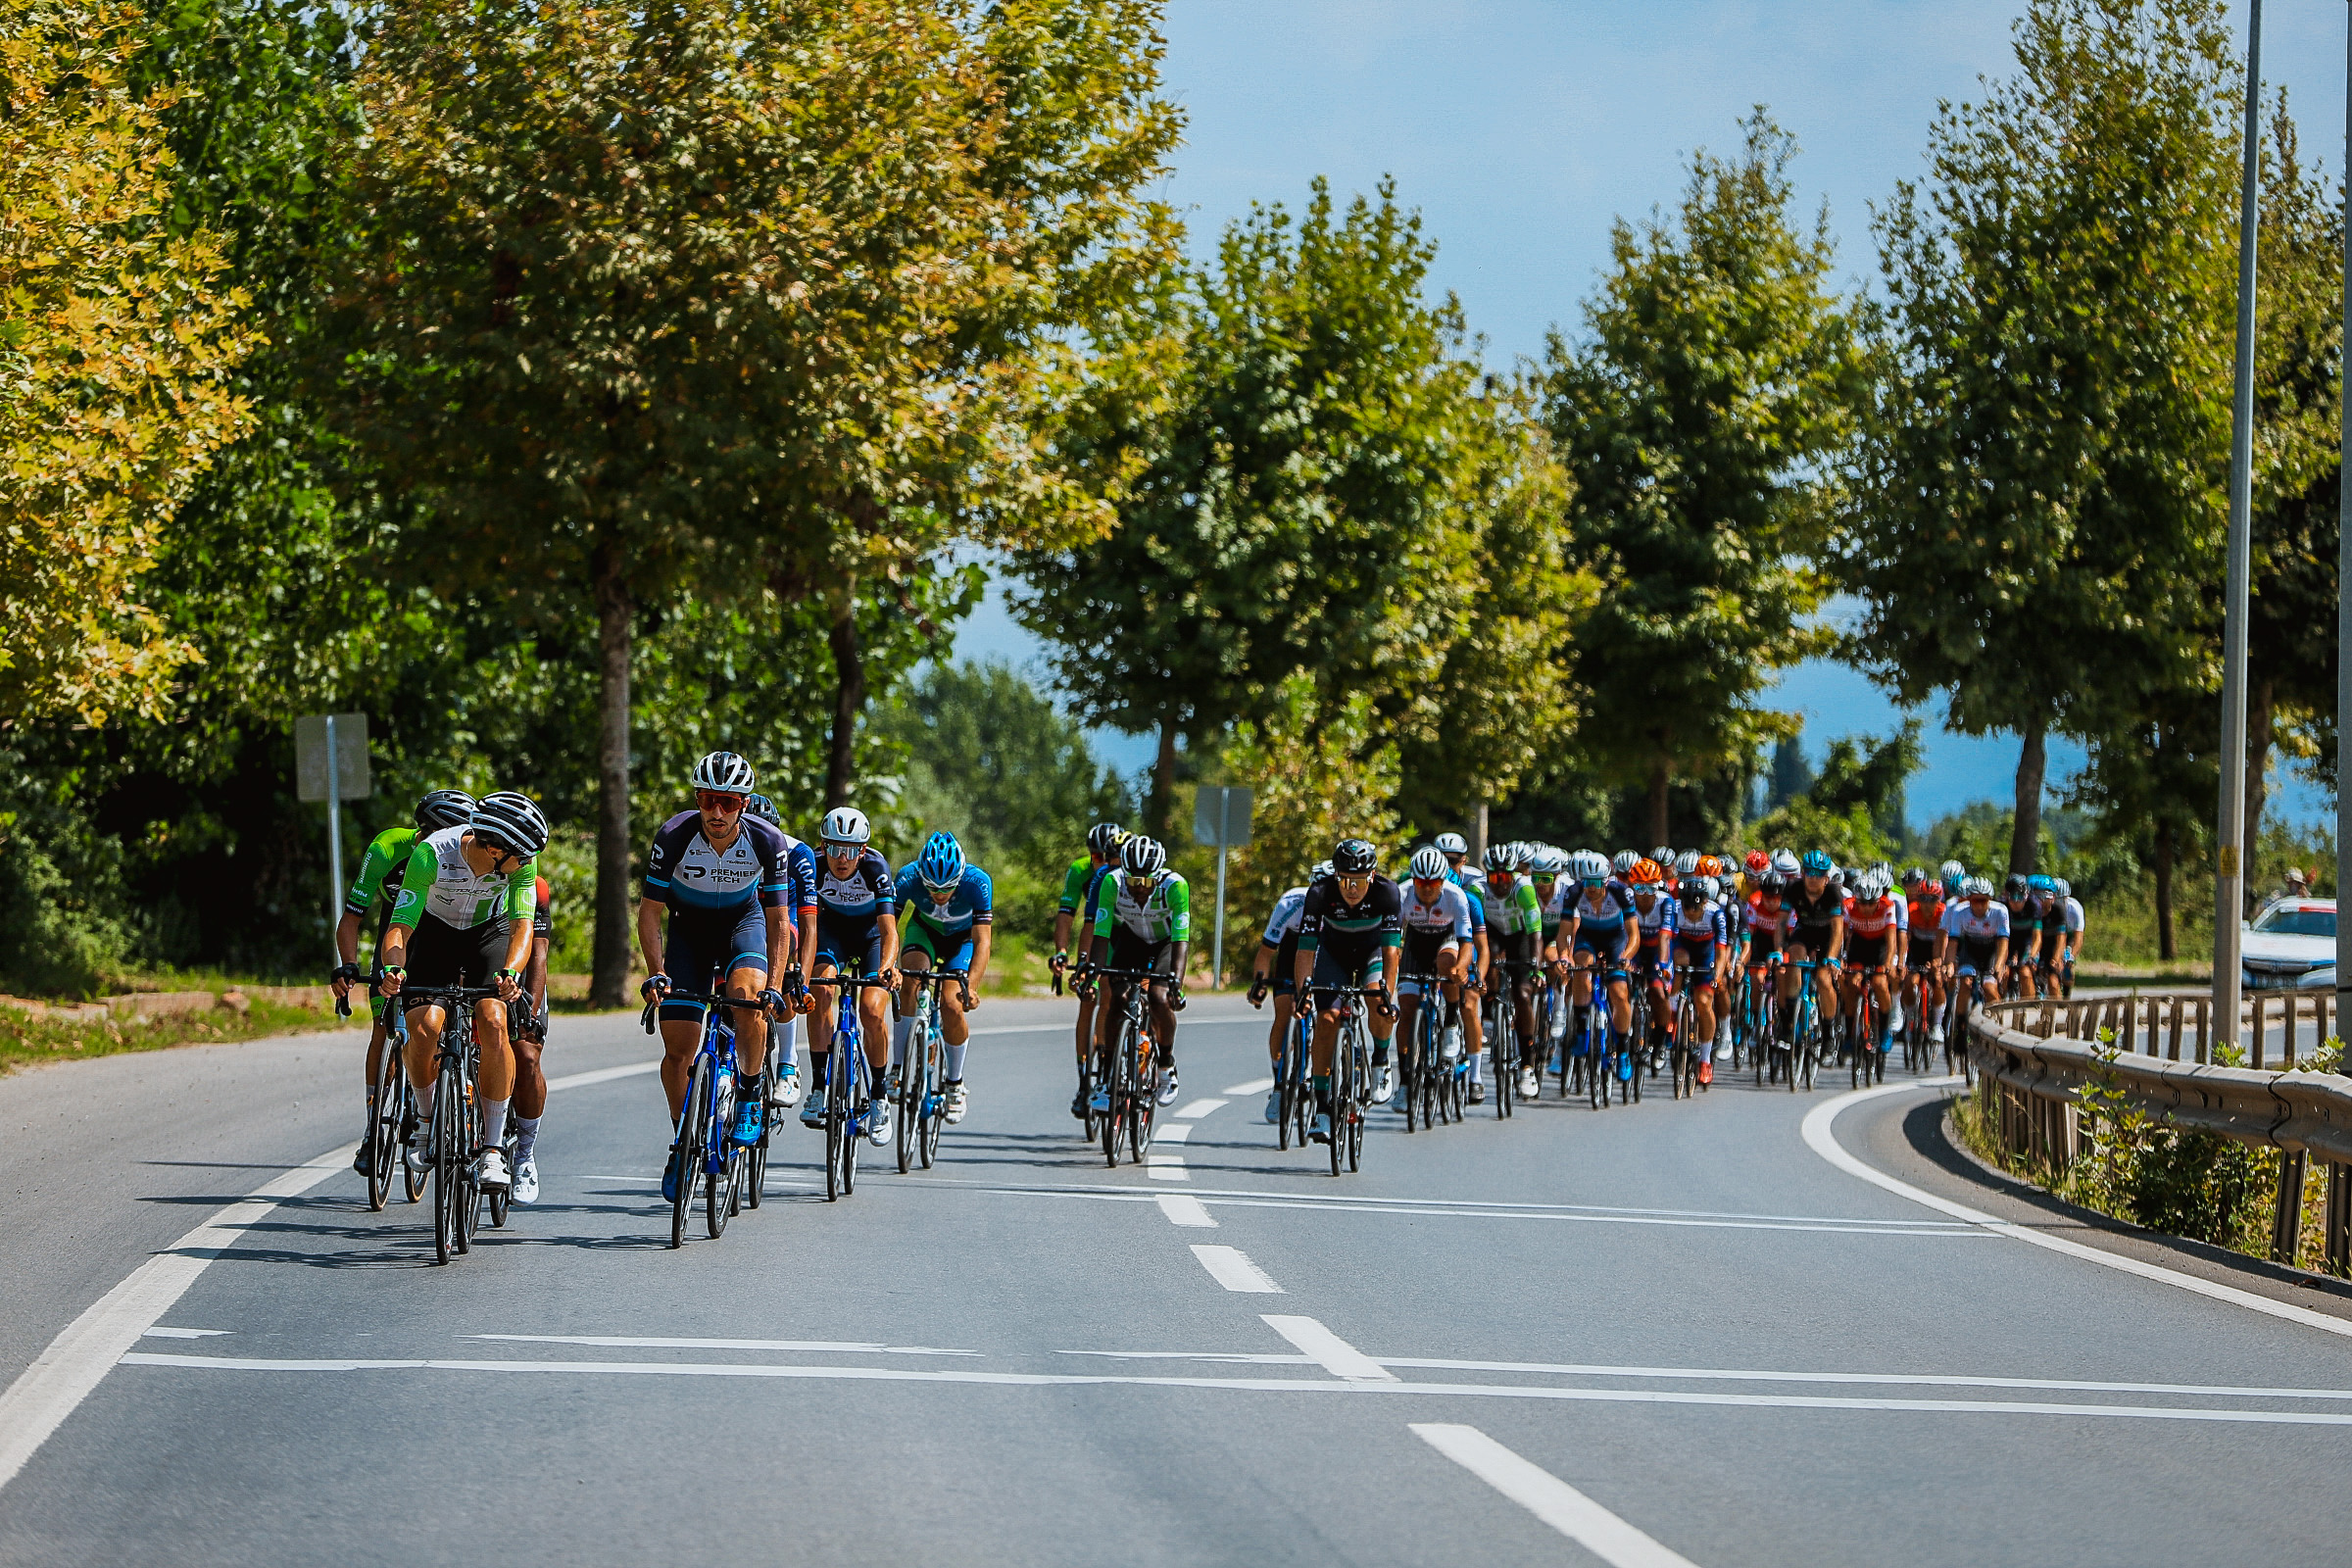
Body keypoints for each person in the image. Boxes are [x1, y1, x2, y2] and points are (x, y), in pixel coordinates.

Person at [637, 753, 795, 1201]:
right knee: (678, 1049)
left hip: (743, 925)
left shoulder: (768, 840)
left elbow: (779, 920)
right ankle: (683, 1142)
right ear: (698, 799)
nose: (717, 812)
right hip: (688, 930)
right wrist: (657, 973)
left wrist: (775, 987)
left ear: (743, 804)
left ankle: (747, 1092)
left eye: (727, 801)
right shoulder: (674, 835)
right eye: (708, 800)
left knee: (747, 998)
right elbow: (649, 913)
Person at [376, 791, 548, 1199]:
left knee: (492, 1018)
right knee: (424, 1028)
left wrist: (511, 971)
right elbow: (400, 926)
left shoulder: (520, 858)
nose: (525, 865)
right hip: (435, 935)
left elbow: (523, 927)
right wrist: (393, 968)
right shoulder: (431, 856)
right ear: (493, 847)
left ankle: (492, 1148)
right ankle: (424, 1119)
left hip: (489, 934)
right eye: (519, 857)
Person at [333, 788, 474, 1176]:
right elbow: (352, 917)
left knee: (450, 1009)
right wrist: (348, 965)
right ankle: (373, 1127)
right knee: (384, 1027)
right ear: (424, 832)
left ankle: (455, 1087)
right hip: (396, 933)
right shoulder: (386, 850)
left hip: (444, 933)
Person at [1292, 839, 1401, 1144]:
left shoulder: (1387, 892)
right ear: (1335, 876)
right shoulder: (1319, 893)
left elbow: (1392, 952)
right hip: (1334, 955)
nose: (1351, 888)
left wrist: (1388, 995)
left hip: (1372, 954)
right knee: (1326, 1020)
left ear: (1372, 876)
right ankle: (1324, 1107)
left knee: (1379, 1001)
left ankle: (1380, 1058)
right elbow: (1304, 951)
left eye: (1359, 881)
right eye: (1344, 880)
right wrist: (1304, 992)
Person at [803, 805, 901, 1145]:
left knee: (872, 1010)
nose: (840, 859)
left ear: (862, 850)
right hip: (831, 933)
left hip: (871, 936)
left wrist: (888, 966)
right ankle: (818, 1087)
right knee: (819, 993)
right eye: (833, 848)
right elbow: (805, 924)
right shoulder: (813, 866)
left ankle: (878, 1096)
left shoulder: (875, 867)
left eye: (849, 851)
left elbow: (889, 930)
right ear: (823, 846)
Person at [1081, 835, 1190, 1107]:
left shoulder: (1175, 886)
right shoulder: (1112, 882)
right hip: (1132, 941)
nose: (1139, 888)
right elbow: (1102, 933)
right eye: (1133, 881)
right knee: (1116, 998)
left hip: (1165, 943)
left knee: (1158, 996)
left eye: (1146, 882)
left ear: (1158, 875)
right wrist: (1093, 972)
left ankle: (1165, 1065)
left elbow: (1180, 939)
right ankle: (1107, 1079)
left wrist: (1176, 981)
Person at [893, 830, 992, 1124]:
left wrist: (971, 986)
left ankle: (955, 1084)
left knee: (951, 1004)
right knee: (910, 981)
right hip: (924, 933)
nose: (938, 894)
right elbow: (888, 927)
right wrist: (889, 965)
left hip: (962, 942)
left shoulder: (978, 883)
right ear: (921, 875)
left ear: (959, 878)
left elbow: (983, 941)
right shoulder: (907, 877)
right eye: (931, 887)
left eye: (946, 888)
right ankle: (897, 1069)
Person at [742, 792, 820, 1108]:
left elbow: (809, 925)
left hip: (782, 915)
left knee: (784, 965)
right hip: (747, 915)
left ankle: (788, 1063)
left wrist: (802, 979)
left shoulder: (798, 853)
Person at [1248, 859, 1332, 1122]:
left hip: (1327, 951)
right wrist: (1260, 983)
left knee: (1330, 1014)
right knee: (1284, 1012)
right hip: (1293, 949)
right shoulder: (1291, 902)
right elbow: (1266, 951)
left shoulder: (1342, 908)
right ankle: (1278, 1084)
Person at [1396, 845, 1475, 1106]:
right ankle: (1406, 1082)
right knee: (1406, 1010)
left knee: (1448, 964)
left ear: (1443, 880)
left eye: (1433, 882)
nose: (1427, 888)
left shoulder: (1456, 896)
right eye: (1421, 882)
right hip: (1416, 944)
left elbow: (1466, 941)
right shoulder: (1402, 894)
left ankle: (1451, 1021)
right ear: (1413, 879)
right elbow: (1393, 942)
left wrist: (1461, 969)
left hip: (1446, 940)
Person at [1057, 823, 1127, 1119]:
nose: (1099, 860)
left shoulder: (1128, 871)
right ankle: (1085, 1077)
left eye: (1105, 855)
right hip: (1099, 930)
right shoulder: (1082, 871)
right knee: (1090, 997)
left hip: (1127, 931)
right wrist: (1065, 954)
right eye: (1094, 854)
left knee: (1113, 995)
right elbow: (1070, 917)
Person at [1477, 843, 1545, 1102]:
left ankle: (1528, 1066)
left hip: (1520, 937)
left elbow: (1535, 931)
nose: (1501, 884)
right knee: (1491, 961)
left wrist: (1536, 967)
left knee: (1523, 994)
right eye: (1495, 877)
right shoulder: (1478, 889)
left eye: (1506, 876)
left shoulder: (1524, 888)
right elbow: (1471, 929)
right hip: (1492, 935)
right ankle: (1491, 1011)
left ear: (1514, 874)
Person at [1662, 873, 1730, 1083]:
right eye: (1687, 908)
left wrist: (1717, 976)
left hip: (1706, 951)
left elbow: (1720, 951)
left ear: (1705, 902)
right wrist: (1666, 966)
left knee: (1703, 1002)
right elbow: (1666, 939)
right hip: (1682, 945)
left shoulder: (1715, 914)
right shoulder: (1673, 908)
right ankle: (1673, 1013)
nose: (1691, 913)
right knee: (1680, 962)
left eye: (1696, 908)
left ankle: (1705, 1060)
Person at [1781, 850, 1845, 1053]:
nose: (1813, 878)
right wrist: (1776, 950)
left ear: (1826, 878)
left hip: (1828, 936)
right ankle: (1790, 1022)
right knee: (1793, 959)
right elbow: (1781, 922)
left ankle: (1827, 1034)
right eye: (1809, 873)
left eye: (1818, 874)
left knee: (1824, 980)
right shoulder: (1793, 887)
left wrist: (1833, 958)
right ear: (1803, 873)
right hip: (1805, 931)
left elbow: (1837, 929)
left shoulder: (1834, 892)